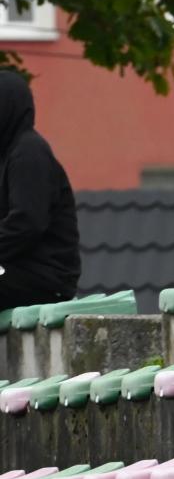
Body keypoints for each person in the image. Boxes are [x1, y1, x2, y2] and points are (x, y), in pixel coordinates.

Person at [0, 71, 81, 309]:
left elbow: (27, 223)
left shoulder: (28, 153)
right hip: (19, 269)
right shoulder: (10, 154)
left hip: (44, 277)